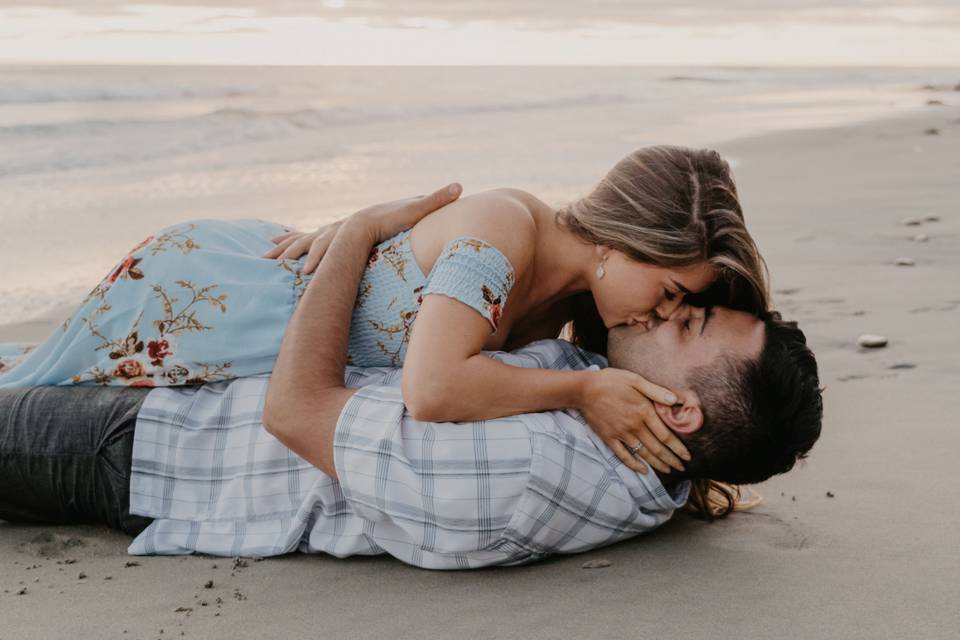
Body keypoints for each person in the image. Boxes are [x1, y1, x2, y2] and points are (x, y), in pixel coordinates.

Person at [0, 195, 823, 570]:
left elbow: (297, 413)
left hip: (160, 448)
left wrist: (359, 234)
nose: (662, 315)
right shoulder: (621, 427)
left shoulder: (533, 465)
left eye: (686, 323)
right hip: (190, 382)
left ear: (680, 410)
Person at [0, 146, 769, 475]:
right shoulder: (506, 227)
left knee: (36, 387)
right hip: (209, 297)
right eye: (669, 290)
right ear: (626, 240)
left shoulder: (563, 307)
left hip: (256, 346)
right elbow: (432, 390)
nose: (658, 315)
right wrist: (582, 390)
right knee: (38, 390)